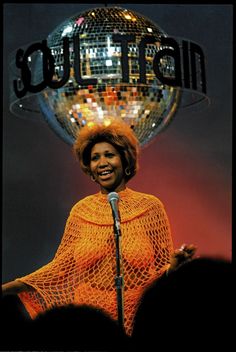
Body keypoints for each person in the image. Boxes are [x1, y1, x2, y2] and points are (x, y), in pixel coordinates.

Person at [2, 119, 193, 337]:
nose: (102, 162)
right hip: (88, 316)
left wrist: (173, 267)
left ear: (125, 160)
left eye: (109, 155)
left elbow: (161, 270)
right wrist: (9, 288)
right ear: (90, 168)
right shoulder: (81, 211)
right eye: (95, 158)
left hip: (138, 314)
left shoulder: (150, 208)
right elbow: (58, 269)